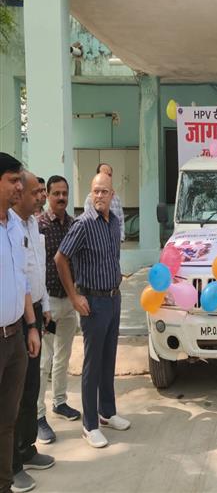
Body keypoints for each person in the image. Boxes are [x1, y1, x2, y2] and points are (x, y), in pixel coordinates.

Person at [55, 173, 130, 449]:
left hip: (113, 299)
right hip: (93, 304)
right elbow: (60, 258)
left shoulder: (114, 222)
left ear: (112, 195)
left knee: (109, 359)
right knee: (93, 364)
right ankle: (90, 425)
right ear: (90, 194)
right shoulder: (83, 224)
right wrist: (74, 297)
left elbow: (112, 257)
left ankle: (107, 412)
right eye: (95, 191)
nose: (99, 196)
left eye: (104, 191)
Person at [12, 171, 55, 493]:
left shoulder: (32, 224)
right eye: (35, 192)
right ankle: (11, 464)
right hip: (17, 317)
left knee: (31, 386)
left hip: (36, 310)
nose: (41, 196)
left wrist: (45, 307)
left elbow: (38, 270)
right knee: (13, 394)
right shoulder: (10, 227)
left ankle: (27, 448)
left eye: (42, 191)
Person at [0, 153, 41, 493]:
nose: (19, 187)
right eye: (13, 180)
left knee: (7, 420)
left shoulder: (14, 226)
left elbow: (22, 280)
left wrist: (31, 326)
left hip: (15, 336)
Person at [37, 175, 80, 445]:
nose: (61, 198)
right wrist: (41, 305)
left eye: (65, 193)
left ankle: (60, 402)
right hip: (49, 304)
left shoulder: (74, 225)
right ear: (48, 195)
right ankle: (38, 415)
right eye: (56, 194)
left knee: (64, 356)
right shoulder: (39, 226)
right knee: (44, 361)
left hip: (69, 302)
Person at [83, 163, 125, 242]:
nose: (107, 177)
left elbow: (121, 221)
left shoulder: (116, 198)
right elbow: (88, 223)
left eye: (109, 175)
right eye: (104, 174)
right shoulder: (90, 199)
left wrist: (120, 239)